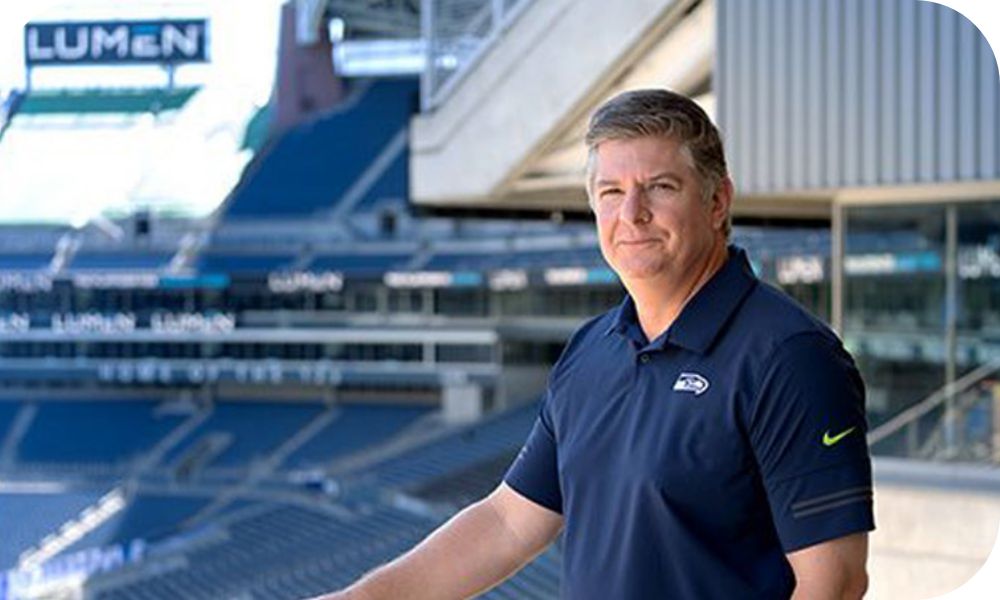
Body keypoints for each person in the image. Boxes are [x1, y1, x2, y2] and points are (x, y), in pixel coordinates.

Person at [313, 89, 874, 600]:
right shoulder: (592, 350)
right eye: (611, 192)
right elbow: (509, 523)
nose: (632, 215)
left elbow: (836, 583)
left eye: (660, 187)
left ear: (717, 201)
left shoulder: (789, 356)